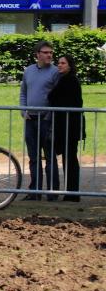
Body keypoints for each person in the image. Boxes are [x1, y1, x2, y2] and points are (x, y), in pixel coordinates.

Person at [20, 40, 60, 201]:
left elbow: (57, 97)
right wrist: (24, 111)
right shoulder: (28, 71)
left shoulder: (55, 72)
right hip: (31, 119)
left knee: (50, 156)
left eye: (51, 52)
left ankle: (52, 192)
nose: (49, 55)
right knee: (34, 157)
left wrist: (50, 115)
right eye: (45, 52)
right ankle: (34, 191)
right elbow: (23, 92)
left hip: (47, 120)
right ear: (37, 55)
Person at [48, 55, 84, 202]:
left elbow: (54, 97)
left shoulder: (70, 80)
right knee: (68, 159)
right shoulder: (65, 80)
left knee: (70, 159)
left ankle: (72, 192)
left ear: (70, 65)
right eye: (59, 63)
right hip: (65, 125)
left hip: (70, 126)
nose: (59, 65)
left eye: (63, 63)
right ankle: (70, 191)